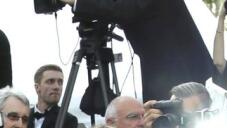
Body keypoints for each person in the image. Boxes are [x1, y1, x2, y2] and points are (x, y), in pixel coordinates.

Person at [55, 0, 213, 104]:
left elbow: (127, 8)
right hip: (161, 62)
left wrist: (76, 2)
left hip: (178, 64)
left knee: (171, 123)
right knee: (158, 120)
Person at [30, 63, 79, 128]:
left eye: (60, 82)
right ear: (37, 88)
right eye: (50, 81)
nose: (57, 87)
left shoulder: (68, 120)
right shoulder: (24, 116)